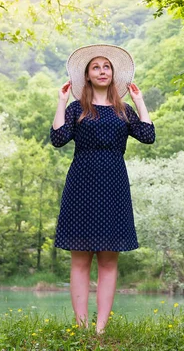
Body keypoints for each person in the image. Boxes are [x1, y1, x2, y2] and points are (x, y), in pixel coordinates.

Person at [50, 44, 155, 334]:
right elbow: (58, 138)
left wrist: (140, 100)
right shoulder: (76, 108)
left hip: (114, 186)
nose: (101, 71)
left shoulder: (124, 110)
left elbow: (148, 135)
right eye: (95, 67)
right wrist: (61, 101)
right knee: (80, 258)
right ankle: (82, 328)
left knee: (109, 260)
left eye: (106, 67)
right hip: (81, 185)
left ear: (113, 74)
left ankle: (100, 330)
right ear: (87, 75)